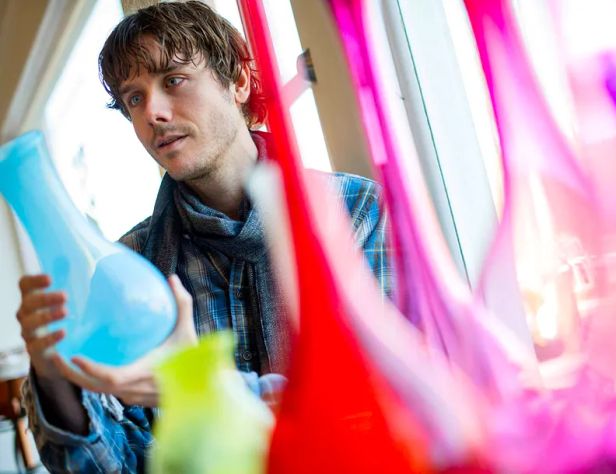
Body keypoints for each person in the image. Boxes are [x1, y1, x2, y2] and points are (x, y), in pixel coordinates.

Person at [16, 1, 391, 472]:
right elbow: (121, 463)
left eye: (172, 80)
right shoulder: (132, 268)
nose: (151, 112)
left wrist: (197, 384)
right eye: (133, 97)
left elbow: (382, 407)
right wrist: (53, 374)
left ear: (237, 80)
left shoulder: (356, 214)